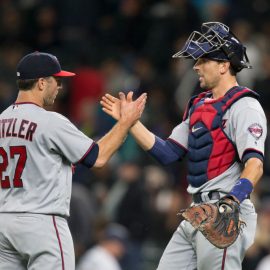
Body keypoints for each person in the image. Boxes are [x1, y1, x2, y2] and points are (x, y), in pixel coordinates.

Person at [100, 22, 267, 270]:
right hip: (197, 210)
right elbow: (168, 153)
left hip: (225, 209)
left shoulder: (245, 106)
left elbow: (255, 164)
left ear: (224, 65)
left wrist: (232, 202)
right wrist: (130, 123)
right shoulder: (199, 105)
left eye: (203, 61)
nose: (196, 66)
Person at [0, 51, 147, 270]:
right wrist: (125, 123)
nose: (60, 87)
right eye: (56, 80)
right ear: (41, 83)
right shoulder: (50, 121)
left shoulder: (1, 120)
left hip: (4, 223)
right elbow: (98, 157)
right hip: (42, 222)